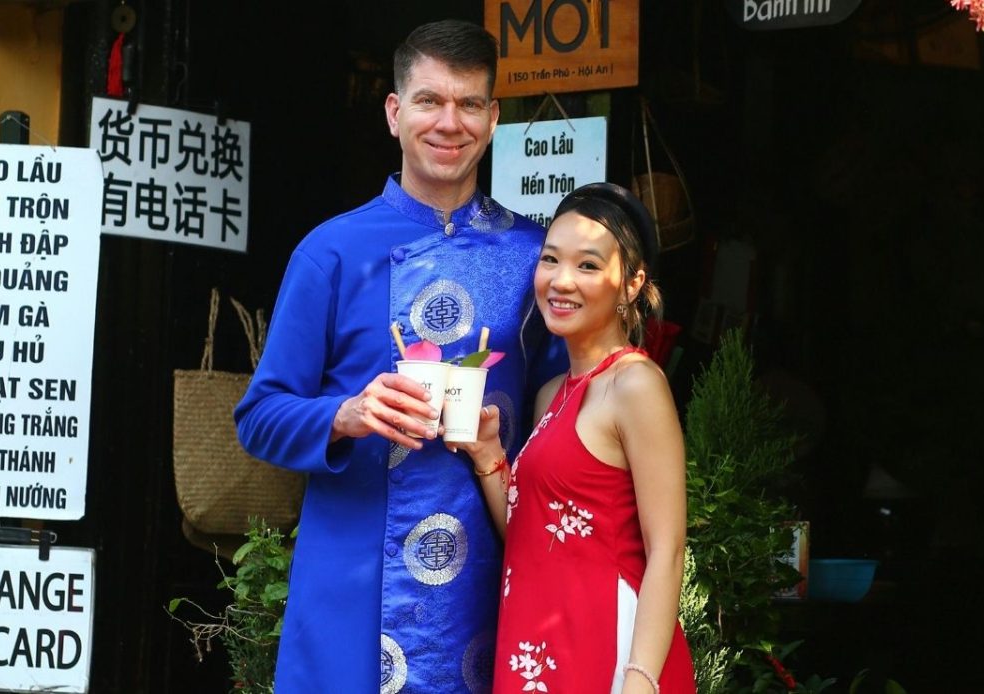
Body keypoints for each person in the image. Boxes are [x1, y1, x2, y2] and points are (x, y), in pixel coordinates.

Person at [234, 19, 564, 693]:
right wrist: (347, 414)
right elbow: (259, 415)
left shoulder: (540, 260)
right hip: (352, 581)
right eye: (429, 101)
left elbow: (570, 424)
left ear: (494, 117)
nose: (450, 122)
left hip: (492, 581)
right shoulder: (330, 250)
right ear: (394, 112)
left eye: (470, 103)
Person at [458, 183, 697, 693]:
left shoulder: (636, 384)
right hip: (537, 646)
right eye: (551, 260)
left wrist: (640, 680)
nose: (562, 281)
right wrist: (488, 454)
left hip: (604, 647)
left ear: (631, 284)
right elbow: (531, 531)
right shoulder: (551, 394)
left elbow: (667, 548)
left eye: (588, 265)